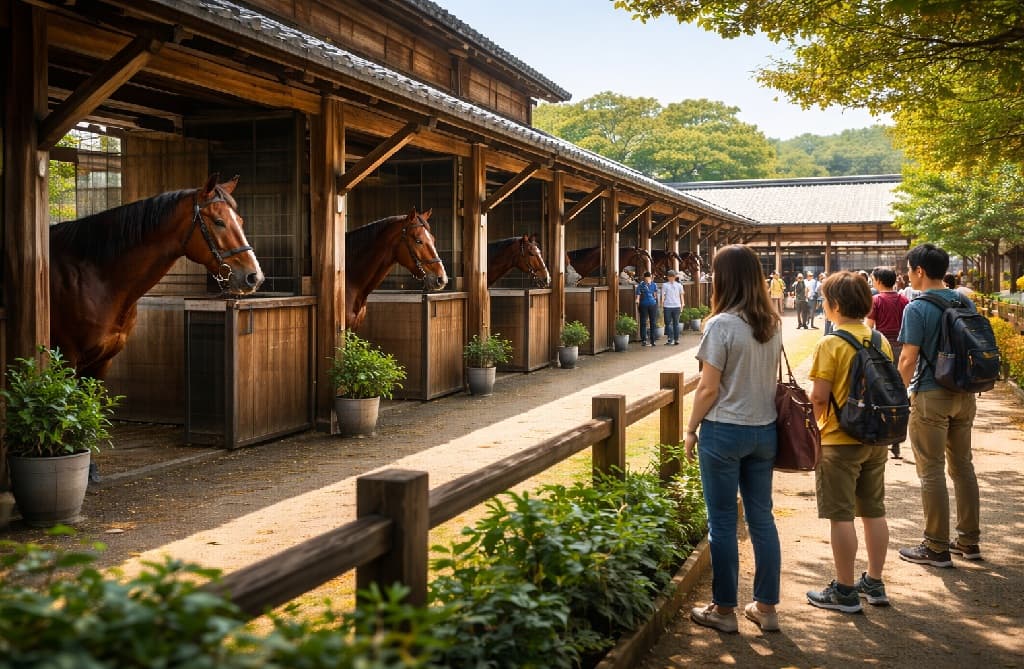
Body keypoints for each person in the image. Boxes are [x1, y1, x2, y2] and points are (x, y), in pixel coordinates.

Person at [685, 244, 782, 634]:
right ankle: (766, 608)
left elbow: (708, 388)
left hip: (724, 430)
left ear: (724, 277)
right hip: (765, 430)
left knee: (722, 522)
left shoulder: (721, 324)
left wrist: (690, 429)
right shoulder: (772, 321)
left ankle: (723, 611)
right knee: (762, 519)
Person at [806, 271, 892, 614]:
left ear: (835, 304)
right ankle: (874, 580)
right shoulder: (879, 339)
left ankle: (844, 590)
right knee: (874, 510)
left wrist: (814, 427)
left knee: (841, 516)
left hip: (840, 441)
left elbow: (818, 397)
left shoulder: (831, 343)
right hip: (876, 437)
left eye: (825, 300)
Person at [897, 243, 982, 567]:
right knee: (963, 467)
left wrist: (896, 394)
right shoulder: (964, 299)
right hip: (965, 392)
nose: (908, 274)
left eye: (909, 268)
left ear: (919, 271)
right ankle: (969, 541)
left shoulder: (916, 308)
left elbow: (908, 358)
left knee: (931, 470)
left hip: (931, 395)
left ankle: (935, 547)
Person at [866, 267, 909, 459]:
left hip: (882, 350)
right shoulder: (903, 300)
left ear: (878, 281)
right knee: (899, 391)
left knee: (881, 391)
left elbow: (869, 327)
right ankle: (897, 440)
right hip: (902, 348)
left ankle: (882, 432)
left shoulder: (876, 300)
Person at [635, 271, 660, 347]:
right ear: (644, 278)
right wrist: (637, 300)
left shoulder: (654, 284)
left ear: (650, 278)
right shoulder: (640, 285)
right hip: (643, 305)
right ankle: (644, 340)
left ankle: (653, 340)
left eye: (649, 278)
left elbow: (655, 295)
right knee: (643, 322)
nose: (647, 280)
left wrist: (656, 302)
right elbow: (638, 295)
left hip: (652, 305)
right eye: (646, 279)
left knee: (653, 322)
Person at [660, 269, 684, 345]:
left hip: (676, 306)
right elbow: (663, 295)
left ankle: (675, 339)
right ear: (667, 277)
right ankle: (671, 338)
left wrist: (682, 304)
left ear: (675, 277)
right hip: (667, 306)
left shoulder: (679, 285)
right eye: (670, 276)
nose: (671, 278)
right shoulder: (665, 285)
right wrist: (662, 304)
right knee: (668, 323)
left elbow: (681, 295)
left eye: (672, 276)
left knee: (675, 323)